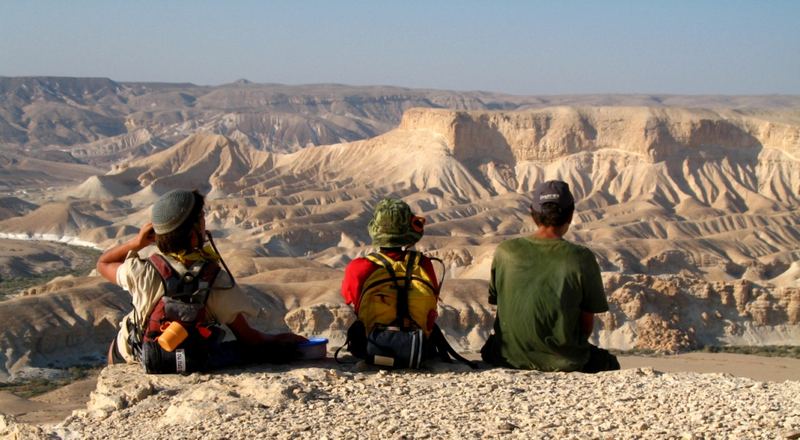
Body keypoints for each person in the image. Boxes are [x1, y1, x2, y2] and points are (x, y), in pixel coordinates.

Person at [97, 189, 306, 372]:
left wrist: (137, 243)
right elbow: (249, 339)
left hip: (134, 353)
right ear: (193, 233)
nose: (205, 221)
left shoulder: (141, 271)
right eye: (201, 217)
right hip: (187, 355)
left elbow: (104, 264)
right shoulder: (216, 281)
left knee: (120, 343)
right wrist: (285, 339)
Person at [481, 180, 619, 373]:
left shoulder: (505, 251)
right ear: (571, 214)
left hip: (504, 356)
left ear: (532, 213)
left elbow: (499, 304)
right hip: (564, 360)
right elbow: (586, 324)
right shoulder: (581, 257)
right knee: (609, 363)